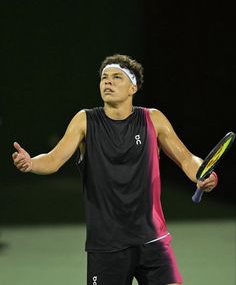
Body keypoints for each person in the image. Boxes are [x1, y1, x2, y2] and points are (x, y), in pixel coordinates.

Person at [12, 54, 218, 285]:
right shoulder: (85, 121)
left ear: (133, 87)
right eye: (104, 78)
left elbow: (187, 159)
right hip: (106, 245)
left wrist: (204, 173)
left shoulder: (153, 119)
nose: (107, 82)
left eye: (116, 77)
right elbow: (53, 159)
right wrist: (31, 164)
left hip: (152, 239)